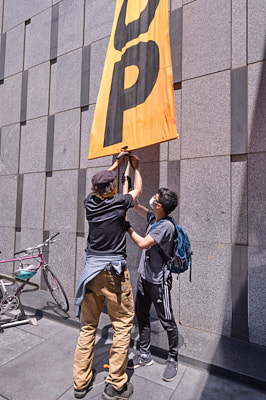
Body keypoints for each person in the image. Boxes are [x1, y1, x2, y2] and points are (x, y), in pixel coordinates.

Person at [73, 154, 142, 400]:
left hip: (91, 273)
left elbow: (100, 187)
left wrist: (113, 167)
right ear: (112, 188)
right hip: (114, 275)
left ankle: (80, 383)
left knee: (88, 327)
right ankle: (115, 384)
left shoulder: (89, 203)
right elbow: (138, 190)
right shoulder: (120, 202)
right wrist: (136, 167)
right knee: (123, 326)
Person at [126, 188, 179, 382]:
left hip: (159, 282)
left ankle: (173, 359)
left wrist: (126, 227)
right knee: (142, 317)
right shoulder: (153, 218)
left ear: (159, 206)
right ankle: (144, 354)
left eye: (154, 199)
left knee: (167, 322)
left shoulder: (165, 226)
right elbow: (137, 206)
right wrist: (131, 192)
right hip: (144, 278)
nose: (152, 200)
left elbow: (142, 243)